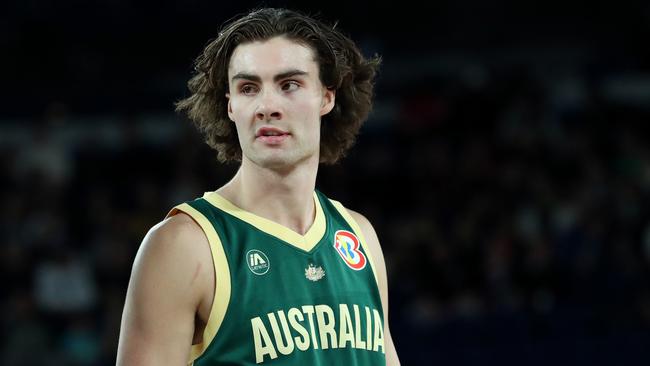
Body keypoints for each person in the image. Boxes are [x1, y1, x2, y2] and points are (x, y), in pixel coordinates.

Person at [117, 7, 400, 365]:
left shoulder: (359, 236)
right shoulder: (184, 245)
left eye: (289, 85)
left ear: (327, 96)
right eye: (248, 88)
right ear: (231, 105)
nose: (267, 106)